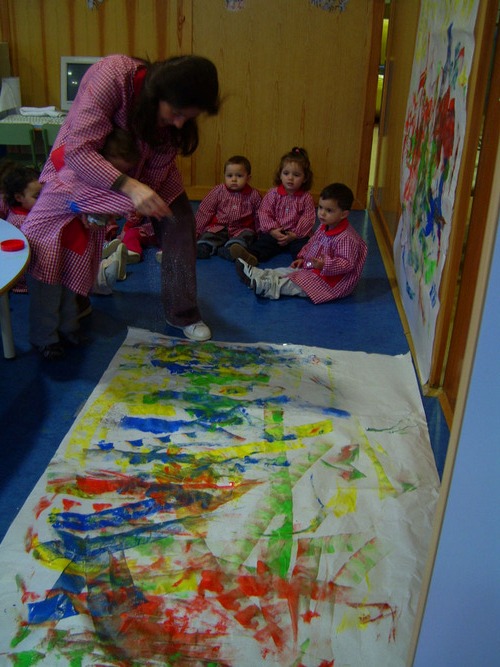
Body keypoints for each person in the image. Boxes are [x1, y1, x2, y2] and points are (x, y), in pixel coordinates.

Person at [21, 54, 220, 359]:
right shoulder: (112, 76)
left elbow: (157, 169)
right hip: (93, 166)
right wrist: (128, 190)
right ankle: (70, 311)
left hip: (136, 174)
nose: (180, 122)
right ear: (158, 94)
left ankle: (182, 312)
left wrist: (139, 201)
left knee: (178, 223)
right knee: (74, 249)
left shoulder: (171, 126)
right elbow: (79, 150)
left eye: (188, 117)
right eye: (177, 112)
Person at [235, 182, 367, 303]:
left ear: (344, 214)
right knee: (291, 271)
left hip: (331, 282)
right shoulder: (324, 226)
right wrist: (303, 258)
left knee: (296, 283)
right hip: (315, 267)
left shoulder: (347, 238)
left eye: (329, 211)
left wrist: (325, 264)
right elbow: (312, 243)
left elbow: (347, 263)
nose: (322, 214)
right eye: (320, 207)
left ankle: (267, 287)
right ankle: (260, 274)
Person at [230, 146, 315, 266]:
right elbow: (264, 212)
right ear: (280, 175)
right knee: (264, 243)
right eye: (286, 173)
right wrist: (272, 230)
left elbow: (308, 218)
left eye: (296, 175)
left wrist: (295, 234)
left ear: (305, 178)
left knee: (305, 245)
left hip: (296, 235)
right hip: (276, 232)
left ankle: (303, 262)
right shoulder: (273, 193)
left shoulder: (306, 197)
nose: (290, 178)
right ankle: (250, 256)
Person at [194, 155, 261, 261]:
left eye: (239, 176)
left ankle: (231, 250)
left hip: (242, 228)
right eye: (229, 176)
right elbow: (205, 210)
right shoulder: (218, 191)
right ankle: (205, 247)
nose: (234, 179)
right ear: (224, 176)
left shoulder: (253, 195)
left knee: (247, 236)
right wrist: (197, 230)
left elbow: (259, 215)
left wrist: (260, 232)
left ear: (248, 178)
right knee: (210, 234)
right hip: (220, 226)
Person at [0, 163, 42, 293]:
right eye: (36, 197)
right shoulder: (22, 221)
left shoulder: (24, 209)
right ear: (18, 197)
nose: (43, 200)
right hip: (26, 278)